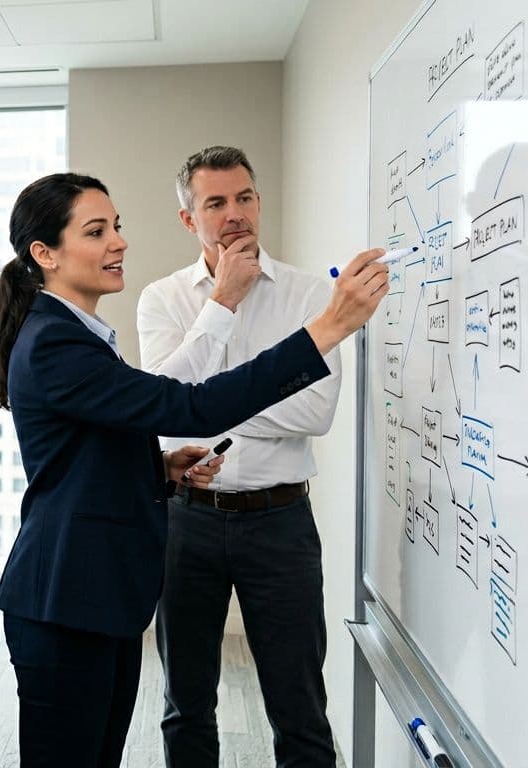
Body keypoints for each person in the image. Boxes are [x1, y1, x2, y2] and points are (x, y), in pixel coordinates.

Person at [0, 172, 387, 768]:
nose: (119, 242)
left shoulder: (79, 335)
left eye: (116, 226)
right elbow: (188, 404)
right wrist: (327, 328)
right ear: (44, 254)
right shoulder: (54, 342)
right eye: (96, 232)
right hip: (66, 597)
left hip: (98, 597)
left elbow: (91, 452)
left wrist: (161, 468)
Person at [138, 146, 340, 767]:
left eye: (245, 197)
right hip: (187, 521)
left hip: (281, 523)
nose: (235, 214)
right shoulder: (163, 299)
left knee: (300, 706)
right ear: (188, 218)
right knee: (186, 703)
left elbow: (317, 413)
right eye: (216, 203)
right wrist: (222, 302)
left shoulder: (310, 294)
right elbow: (165, 420)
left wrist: (204, 401)